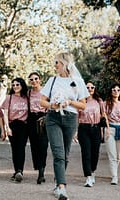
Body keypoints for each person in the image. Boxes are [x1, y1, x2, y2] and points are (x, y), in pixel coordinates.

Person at [40, 52, 89, 200]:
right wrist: (52, 105)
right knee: (58, 153)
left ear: (65, 64)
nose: (55, 65)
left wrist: (69, 102)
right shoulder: (52, 80)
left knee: (65, 154)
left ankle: (57, 183)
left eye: (57, 63)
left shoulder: (78, 81)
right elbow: (42, 101)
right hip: (53, 118)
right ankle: (62, 187)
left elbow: (83, 105)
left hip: (70, 119)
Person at [1, 77, 29, 183]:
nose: (15, 87)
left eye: (17, 85)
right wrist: (7, 128)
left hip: (24, 125)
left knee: (21, 148)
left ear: (22, 85)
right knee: (14, 148)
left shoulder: (26, 97)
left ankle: (19, 171)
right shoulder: (9, 98)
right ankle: (16, 170)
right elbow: (5, 113)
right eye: (13, 85)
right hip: (13, 124)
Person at [77, 81, 104, 187]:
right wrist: (75, 131)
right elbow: (77, 116)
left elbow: (103, 116)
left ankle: (93, 171)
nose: (90, 89)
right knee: (86, 152)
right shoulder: (80, 101)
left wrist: (102, 131)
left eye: (92, 87)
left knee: (95, 153)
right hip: (84, 128)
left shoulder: (99, 101)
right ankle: (88, 177)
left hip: (96, 128)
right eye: (87, 87)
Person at [103, 84, 120, 185]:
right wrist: (107, 129)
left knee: (119, 155)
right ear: (111, 91)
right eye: (113, 89)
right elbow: (104, 116)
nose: (116, 91)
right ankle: (115, 176)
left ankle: (113, 171)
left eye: (118, 89)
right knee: (112, 155)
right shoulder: (105, 104)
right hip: (110, 129)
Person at [27, 72, 49, 184]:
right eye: (31, 79)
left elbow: (51, 105)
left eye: (36, 78)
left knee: (43, 145)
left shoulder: (46, 91)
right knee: (34, 146)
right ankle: (38, 166)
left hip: (43, 119)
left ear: (40, 79)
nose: (34, 81)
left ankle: (41, 172)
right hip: (32, 119)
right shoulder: (28, 93)